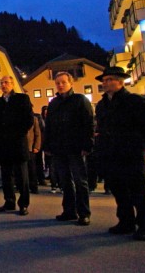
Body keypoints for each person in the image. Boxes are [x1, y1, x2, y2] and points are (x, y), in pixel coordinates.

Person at [95, 67, 145, 241]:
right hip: (111, 153)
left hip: (131, 153)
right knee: (119, 190)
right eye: (105, 80)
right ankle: (126, 221)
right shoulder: (102, 105)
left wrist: (139, 145)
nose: (106, 83)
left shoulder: (134, 101)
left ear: (121, 81)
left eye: (110, 79)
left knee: (138, 191)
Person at [44, 71, 94, 226]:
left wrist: (87, 144)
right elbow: (49, 126)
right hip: (59, 148)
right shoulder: (53, 103)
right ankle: (69, 211)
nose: (60, 85)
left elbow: (88, 123)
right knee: (65, 182)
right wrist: (47, 145)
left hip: (76, 147)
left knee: (80, 181)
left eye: (63, 82)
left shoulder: (80, 100)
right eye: (57, 83)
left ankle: (84, 213)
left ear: (71, 83)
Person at [0, 75, 34, 216]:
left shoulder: (22, 99)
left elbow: (28, 119)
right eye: (1, 83)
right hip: (3, 144)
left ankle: (23, 204)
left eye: (6, 83)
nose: (4, 85)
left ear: (12, 84)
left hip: (18, 142)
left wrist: (18, 133)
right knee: (6, 176)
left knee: (22, 176)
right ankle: (9, 202)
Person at [26, 112, 42, 194]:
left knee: (32, 168)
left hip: (30, 147)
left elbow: (38, 134)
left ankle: (33, 186)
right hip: (20, 147)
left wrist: (36, 146)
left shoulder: (34, 119)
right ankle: (23, 186)